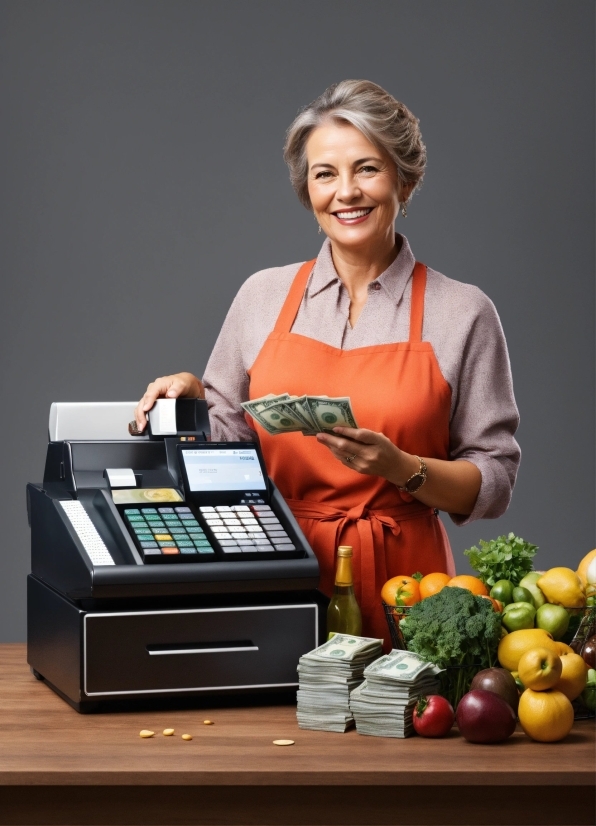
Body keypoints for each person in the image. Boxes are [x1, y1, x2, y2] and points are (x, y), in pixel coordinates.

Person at [134, 80, 520, 643]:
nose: (346, 192)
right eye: (325, 174)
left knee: (403, 718)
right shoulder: (261, 297)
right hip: (276, 566)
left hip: (410, 591)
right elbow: (224, 447)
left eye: (367, 168)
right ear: (306, 190)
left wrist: (401, 468)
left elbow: (494, 480)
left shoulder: (463, 312)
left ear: (404, 180)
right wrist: (194, 399)